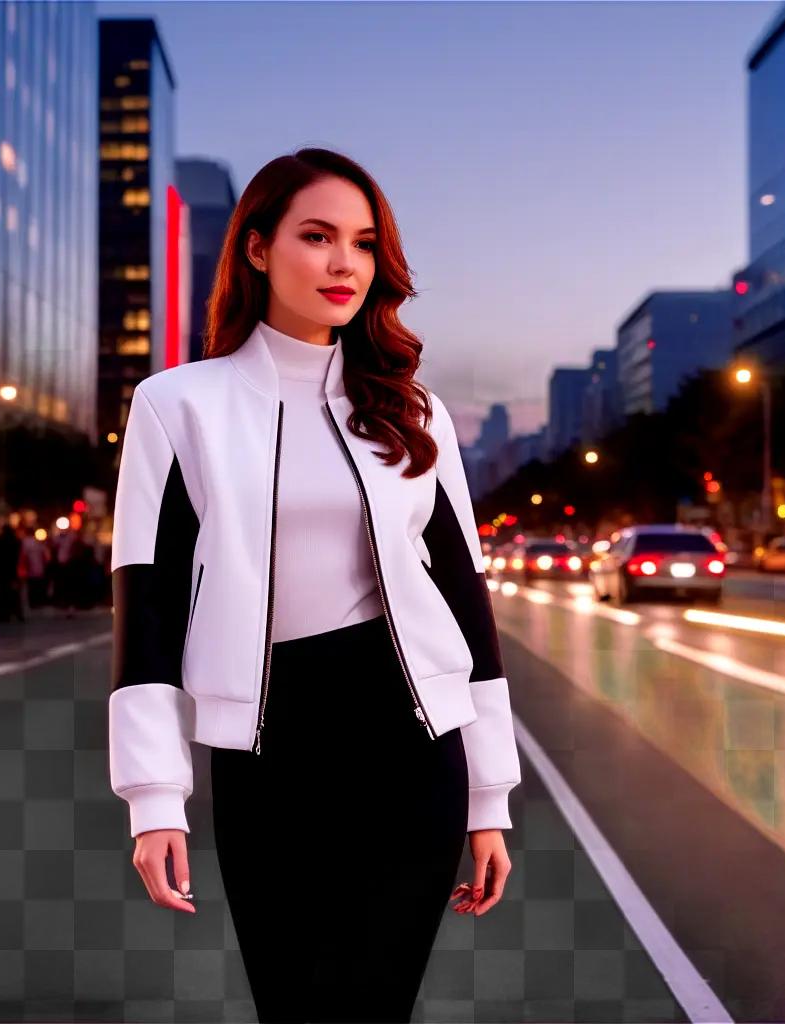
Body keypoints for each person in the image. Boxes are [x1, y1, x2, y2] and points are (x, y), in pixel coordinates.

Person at [107, 147, 522, 1023]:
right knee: (295, 1006)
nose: (345, 264)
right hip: (270, 754)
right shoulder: (177, 404)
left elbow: (463, 600)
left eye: (364, 244)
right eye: (318, 236)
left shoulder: (414, 411)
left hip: (413, 750)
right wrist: (154, 796)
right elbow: (146, 600)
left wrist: (489, 798)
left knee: (376, 1007)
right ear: (257, 249)